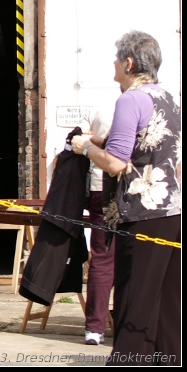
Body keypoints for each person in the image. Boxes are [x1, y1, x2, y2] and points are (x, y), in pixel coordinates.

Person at [70, 31, 181, 366]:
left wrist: (85, 148)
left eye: (117, 60)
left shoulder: (130, 100)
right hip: (172, 212)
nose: (114, 66)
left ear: (129, 63)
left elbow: (116, 163)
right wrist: (103, 142)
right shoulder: (169, 98)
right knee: (167, 304)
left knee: (135, 300)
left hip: (142, 214)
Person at [83, 113, 114, 347]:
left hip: (100, 184)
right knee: (135, 258)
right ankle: (126, 322)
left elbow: (77, 137)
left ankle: (94, 328)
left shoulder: (99, 111)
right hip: (134, 187)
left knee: (102, 258)